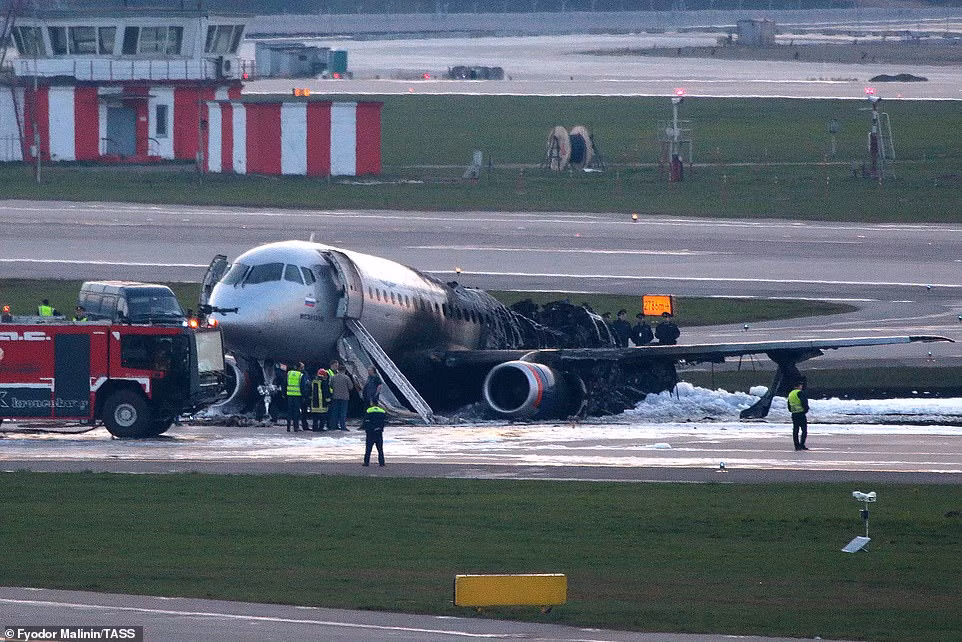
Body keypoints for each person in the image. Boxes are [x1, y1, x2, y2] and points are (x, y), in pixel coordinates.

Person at [361, 402, 387, 467]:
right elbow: (384, 422)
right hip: (379, 432)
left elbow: (366, 421)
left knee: (368, 449)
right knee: (380, 449)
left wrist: (365, 428)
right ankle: (382, 463)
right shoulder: (382, 411)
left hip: (370, 433)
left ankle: (366, 462)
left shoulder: (369, 411)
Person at [787, 378, 810, 451]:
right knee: (804, 430)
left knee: (795, 430)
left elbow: (789, 405)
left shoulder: (791, 394)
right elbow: (804, 403)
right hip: (801, 414)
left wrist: (792, 410)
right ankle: (802, 444)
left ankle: (796, 446)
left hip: (794, 414)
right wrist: (805, 410)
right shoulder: (800, 393)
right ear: (799, 386)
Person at [285, 362, 308, 432]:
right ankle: (296, 427)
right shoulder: (300, 375)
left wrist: (284, 393)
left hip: (289, 395)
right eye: (302, 367)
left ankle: (288, 427)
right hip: (298, 395)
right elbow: (303, 386)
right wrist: (304, 396)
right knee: (296, 412)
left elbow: (285, 383)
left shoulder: (289, 373)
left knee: (289, 411)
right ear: (300, 368)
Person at [328, 363, 352, 432]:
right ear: (344, 370)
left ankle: (333, 426)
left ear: (338, 370)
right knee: (343, 413)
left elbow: (330, 385)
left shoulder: (333, 377)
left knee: (334, 412)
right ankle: (343, 427)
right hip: (344, 397)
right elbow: (350, 387)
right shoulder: (346, 378)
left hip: (335, 397)